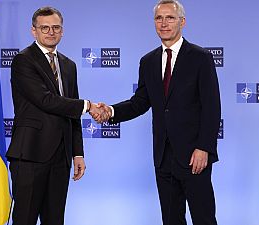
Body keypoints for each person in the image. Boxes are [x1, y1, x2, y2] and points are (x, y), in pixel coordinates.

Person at [93, 0, 221, 224]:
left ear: (182, 22)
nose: (164, 23)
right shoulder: (148, 61)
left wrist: (204, 148)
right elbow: (140, 102)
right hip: (163, 157)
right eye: (159, 18)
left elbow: (212, 107)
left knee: (204, 218)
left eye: (170, 17)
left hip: (194, 156)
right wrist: (111, 111)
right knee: (171, 219)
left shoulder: (201, 58)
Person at [6, 6, 102, 225]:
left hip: (61, 156)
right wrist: (88, 105)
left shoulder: (69, 65)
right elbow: (45, 100)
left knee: (55, 219)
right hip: (30, 155)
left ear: (62, 31)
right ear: (34, 31)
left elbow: (72, 113)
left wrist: (77, 152)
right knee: (25, 219)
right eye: (45, 28)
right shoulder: (24, 60)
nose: (50, 32)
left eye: (55, 27)